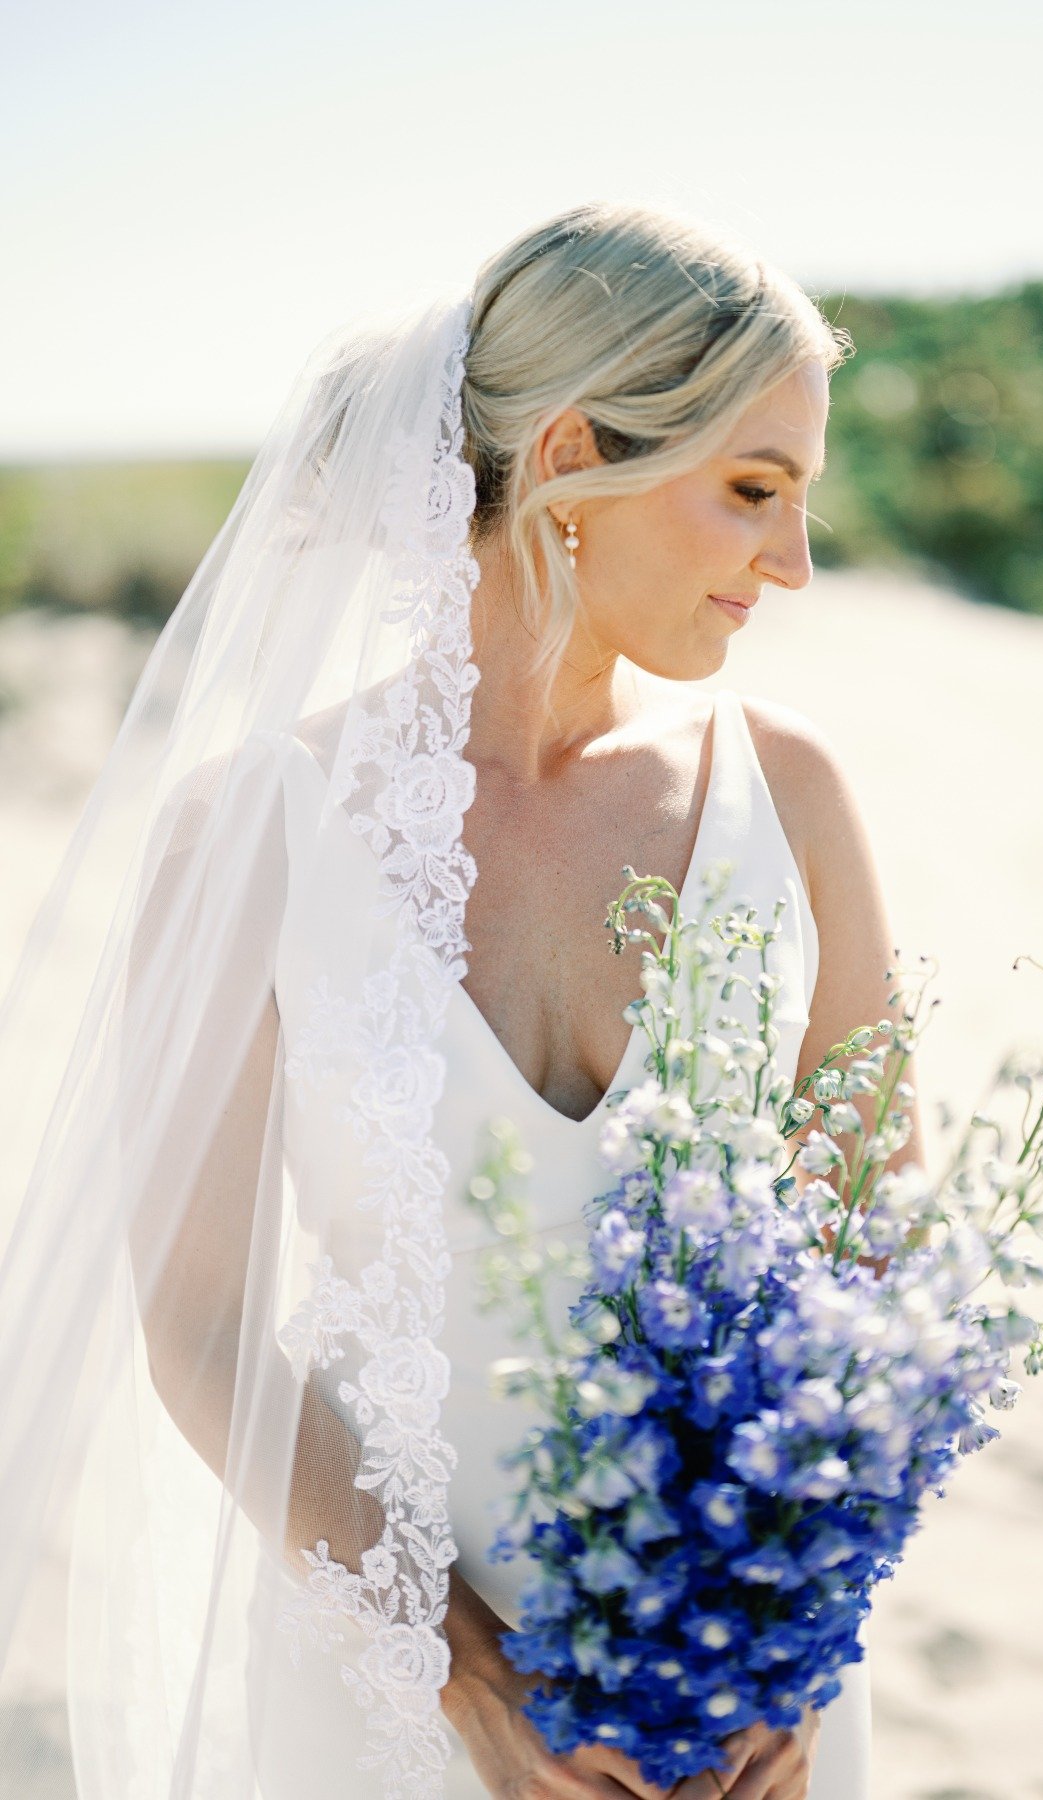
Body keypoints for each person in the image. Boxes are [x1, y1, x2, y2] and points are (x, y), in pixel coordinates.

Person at [0, 200, 919, 1800]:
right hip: (390, 1670)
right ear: (570, 460)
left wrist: (786, 1624)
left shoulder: (798, 798)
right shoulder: (257, 828)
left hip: (743, 1689)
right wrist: (465, 1677)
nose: (794, 561)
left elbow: (878, 1249)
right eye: (754, 492)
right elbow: (202, 1321)